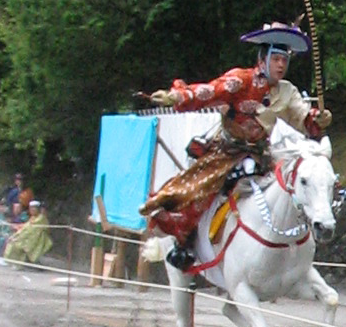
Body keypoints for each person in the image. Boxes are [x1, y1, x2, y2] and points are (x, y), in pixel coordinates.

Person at [140, 22, 332, 269]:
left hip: (264, 153)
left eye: (285, 59)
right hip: (228, 151)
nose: (281, 65)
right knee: (199, 190)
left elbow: (303, 117)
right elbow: (209, 91)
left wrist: (317, 119)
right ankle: (185, 243)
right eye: (276, 58)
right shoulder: (240, 80)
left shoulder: (288, 92)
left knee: (295, 185)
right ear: (262, 60)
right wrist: (178, 96)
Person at [3, 200, 52, 265]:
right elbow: (25, 228)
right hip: (27, 237)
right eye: (30, 208)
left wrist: (18, 235)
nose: (32, 210)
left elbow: (30, 230)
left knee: (17, 243)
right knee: (12, 241)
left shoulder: (41, 218)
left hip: (37, 239)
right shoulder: (32, 218)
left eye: (34, 208)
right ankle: (15, 262)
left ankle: (24, 262)